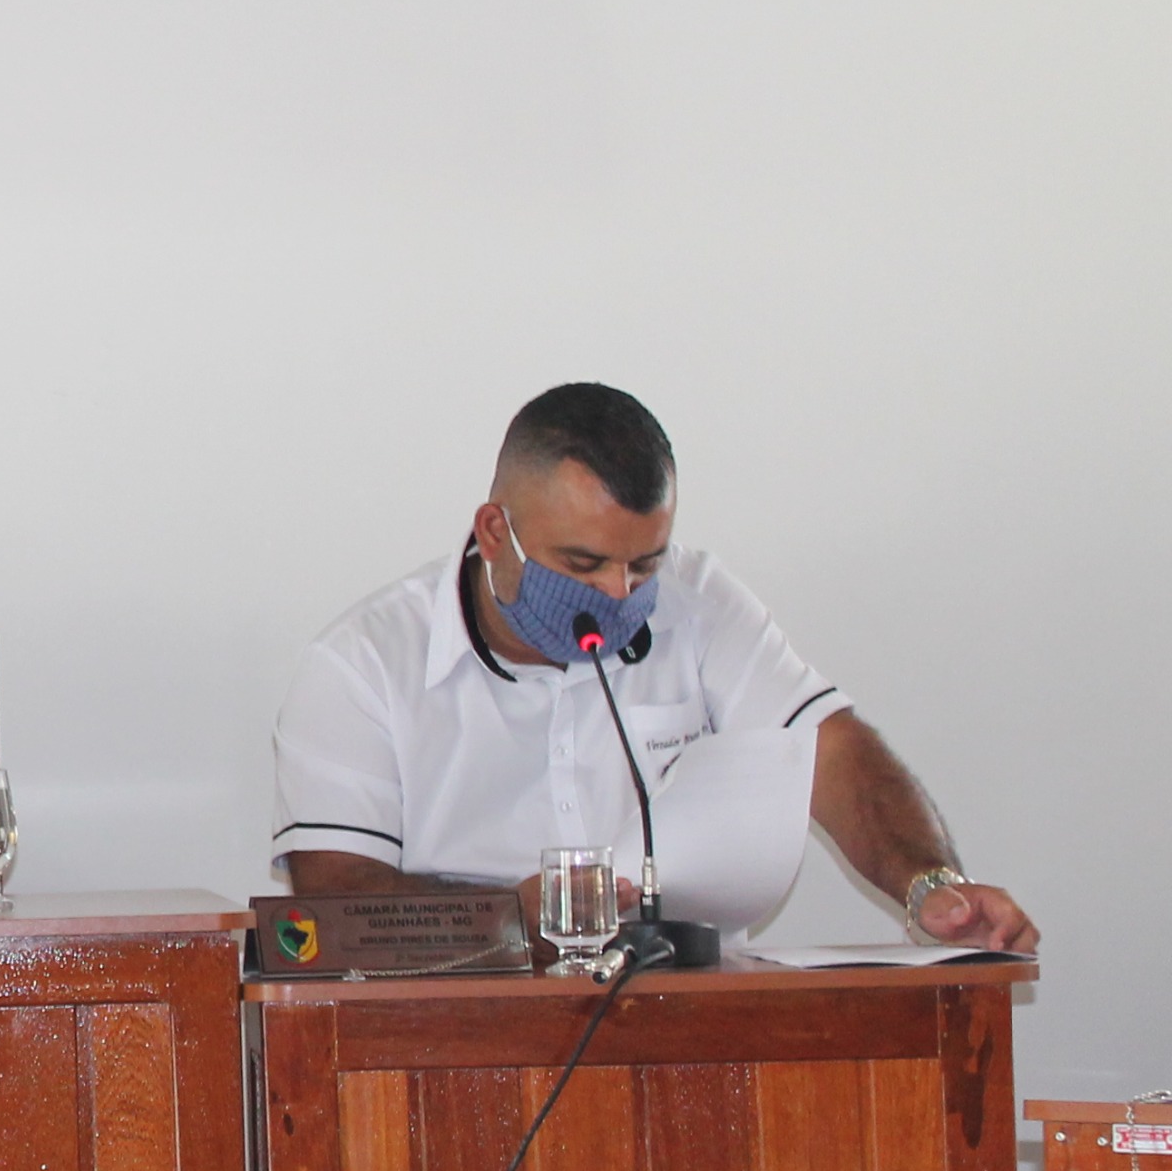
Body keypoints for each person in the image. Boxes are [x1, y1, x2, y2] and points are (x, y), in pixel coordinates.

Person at [273, 382, 1036, 952]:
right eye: (583, 563)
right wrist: (506, 919)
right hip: (452, 1029)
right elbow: (334, 900)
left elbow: (830, 753)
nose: (617, 593)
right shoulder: (362, 664)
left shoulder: (699, 602)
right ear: (495, 531)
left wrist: (933, 885)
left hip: (684, 1016)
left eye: (643, 564)